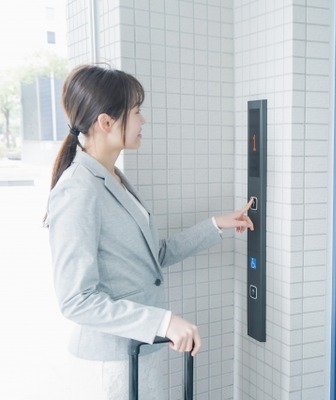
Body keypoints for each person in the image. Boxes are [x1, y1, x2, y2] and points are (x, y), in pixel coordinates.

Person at [44, 64, 253, 399]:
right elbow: (76, 301)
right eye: (136, 111)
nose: (143, 121)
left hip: (138, 348)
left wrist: (216, 224)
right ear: (106, 122)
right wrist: (162, 322)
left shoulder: (113, 178)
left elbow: (154, 255)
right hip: (110, 361)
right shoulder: (78, 189)